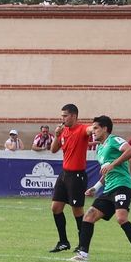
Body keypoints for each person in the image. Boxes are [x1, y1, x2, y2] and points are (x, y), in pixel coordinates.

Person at [75, 115, 131, 262]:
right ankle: (83, 253)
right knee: (89, 215)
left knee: (121, 218)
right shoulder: (100, 148)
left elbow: (130, 151)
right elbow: (105, 170)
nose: (93, 131)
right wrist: (95, 187)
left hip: (122, 185)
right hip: (108, 189)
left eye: (96, 128)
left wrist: (113, 164)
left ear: (105, 129)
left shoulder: (114, 140)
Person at [48, 103, 90, 253]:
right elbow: (53, 150)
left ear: (74, 116)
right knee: (55, 207)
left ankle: (82, 244)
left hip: (77, 175)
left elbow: (91, 129)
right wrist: (57, 135)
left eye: (65, 116)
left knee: (77, 211)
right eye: (62, 116)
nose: (63, 119)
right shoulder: (63, 131)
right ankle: (63, 241)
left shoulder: (82, 129)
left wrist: (99, 128)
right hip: (64, 174)